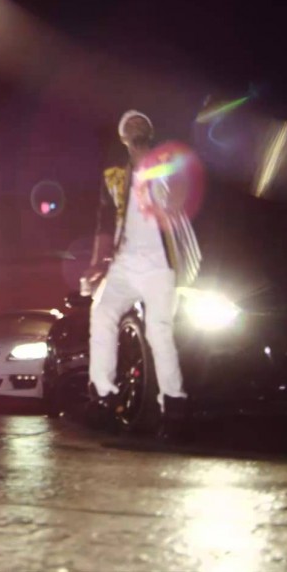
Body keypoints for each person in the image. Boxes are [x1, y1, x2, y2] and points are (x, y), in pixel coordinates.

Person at [82, 110, 201, 440]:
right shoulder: (114, 176)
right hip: (125, 262)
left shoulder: (166, 164)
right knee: (102, 313)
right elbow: (105, 221)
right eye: (129, 124)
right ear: (122, 137)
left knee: (158, 330)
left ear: (150, 132)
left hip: (160, 264)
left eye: (141, 123)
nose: (135, 125)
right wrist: (96, 262)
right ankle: (103, 396)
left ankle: (173, 405)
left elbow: (180, 195)